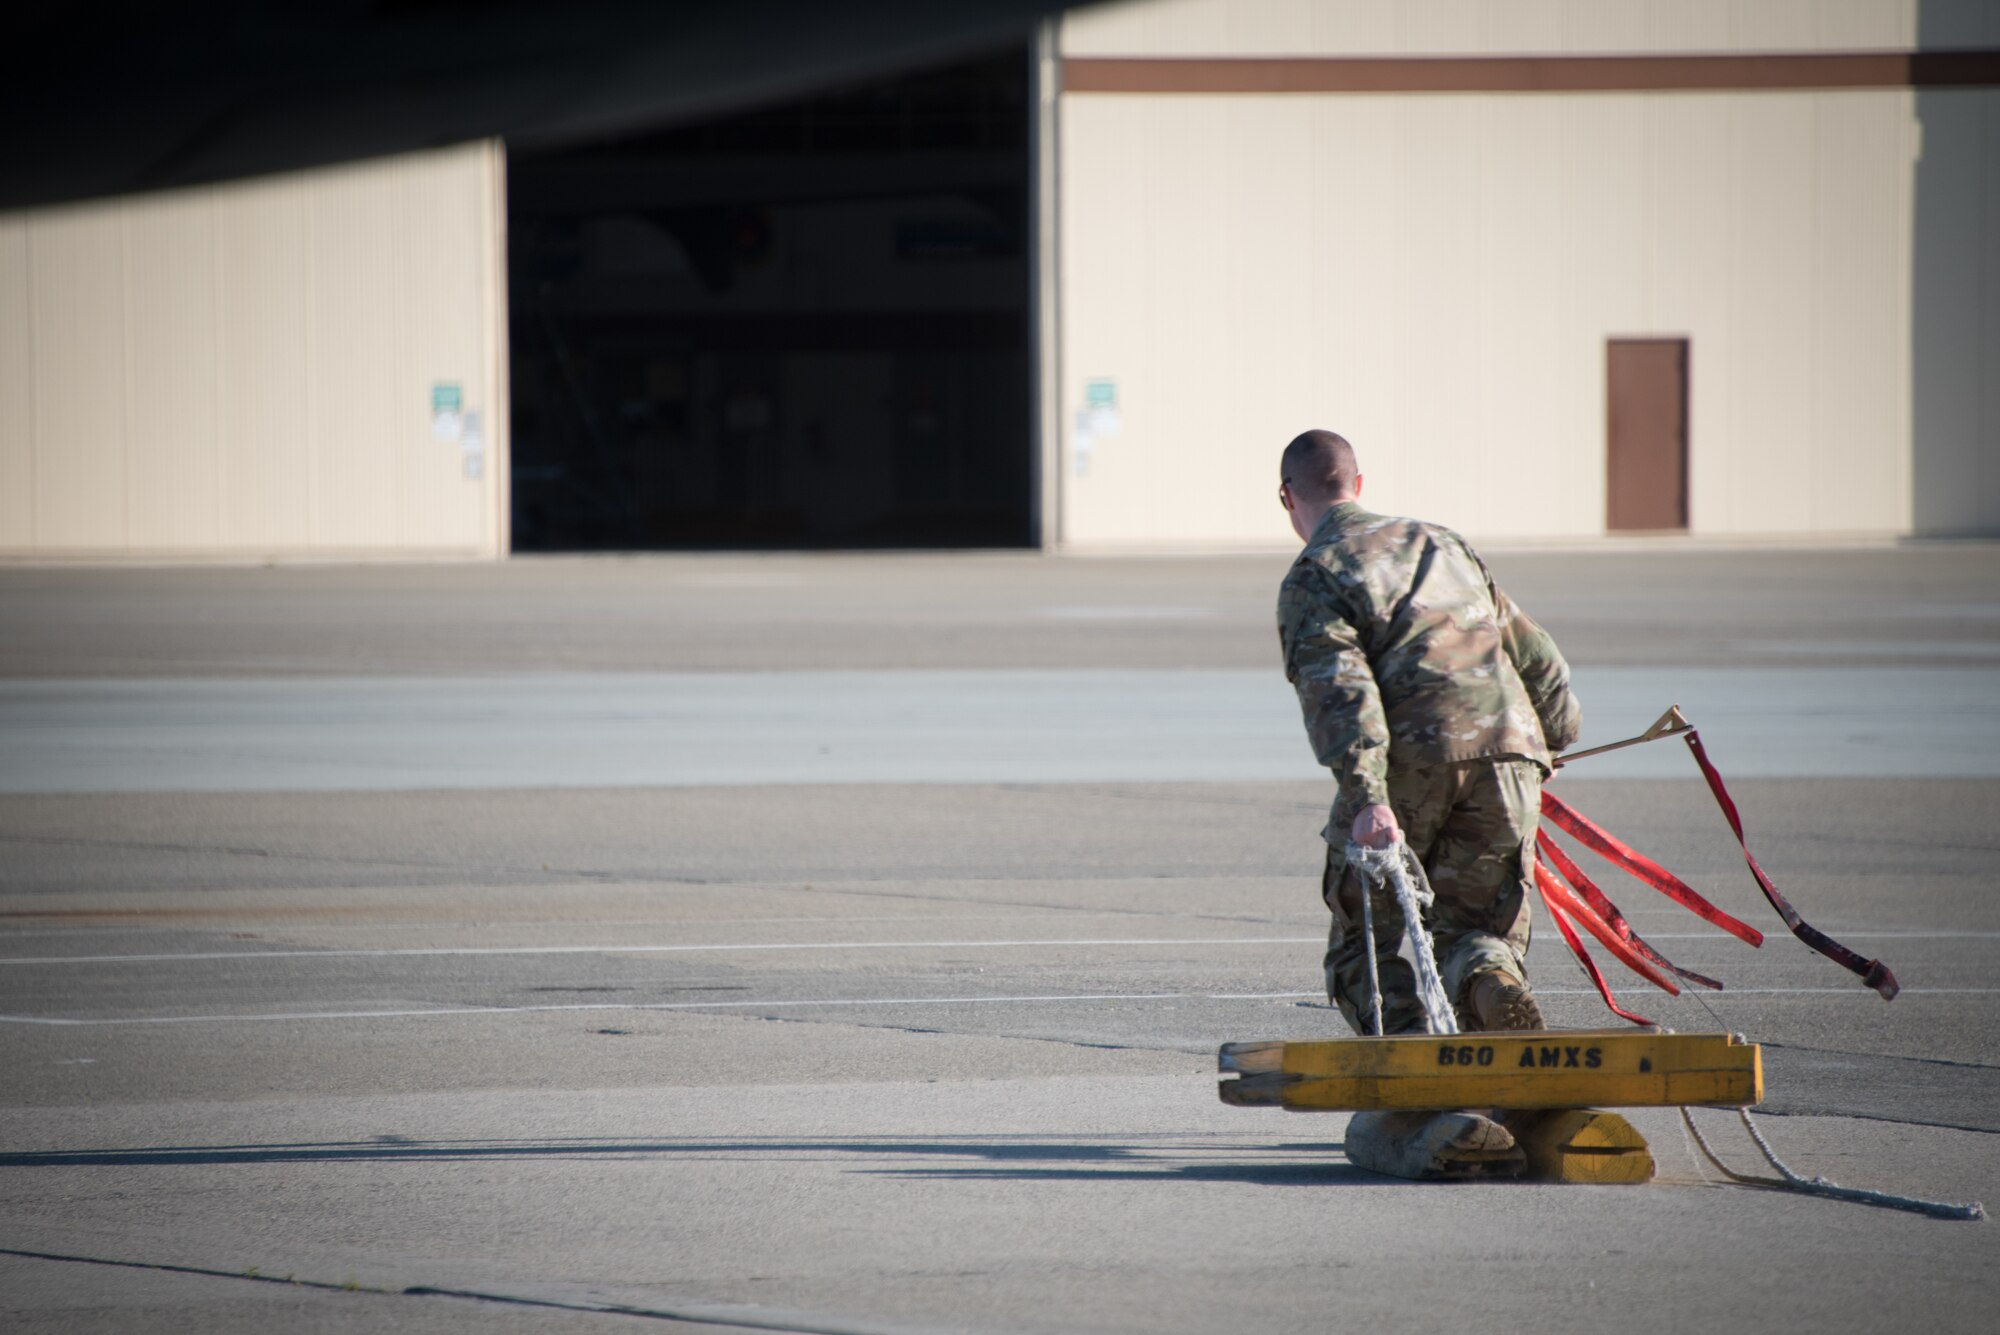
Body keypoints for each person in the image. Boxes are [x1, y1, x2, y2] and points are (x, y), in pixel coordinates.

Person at [1276, 429, 1582, 1036]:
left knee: (1365, 941)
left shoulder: (1317, 572)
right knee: (1479, 932)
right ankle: (1491, 985)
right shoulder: (1439, 542)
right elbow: (1537, 655)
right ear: (1357, 486)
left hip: (1414, 762)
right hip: (1508, 754)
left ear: (1287, 498)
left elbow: (1342, 691)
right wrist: (1550, 738)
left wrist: (1366, 800)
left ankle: (1417, 1079)